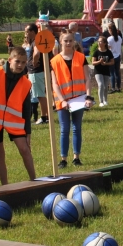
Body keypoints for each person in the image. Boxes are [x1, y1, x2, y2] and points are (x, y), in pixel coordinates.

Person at [0, 47, 37, 185]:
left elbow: (27, 110)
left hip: (14, 121)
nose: (20, 65)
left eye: (23, 62)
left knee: (25, 149)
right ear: (10, 60)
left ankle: (35, 181)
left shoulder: (26, 83)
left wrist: (28, 133)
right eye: (17, 61)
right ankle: (5, 186)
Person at [50, 31, 94, 168]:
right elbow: (54, 84)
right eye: (65, 41)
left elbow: (87, 79)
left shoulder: (81, 57)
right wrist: (62, 100)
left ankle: (76, 157)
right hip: (62, 101)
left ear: (74, 41)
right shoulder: (54, 61)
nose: (68, 43)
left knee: (77, 128)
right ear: (60, 42)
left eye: (70, 40)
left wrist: (88, 97)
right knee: (64, 129)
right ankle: (63, 159)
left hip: (79, 99)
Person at [23, 23, 50, 125]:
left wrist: (34, 62)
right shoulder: (38, 40)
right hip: (38, 71)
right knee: (41, 94)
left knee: (40, 95)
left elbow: (37, 53)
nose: (26, 34)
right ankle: (46, 116)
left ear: (32, 32)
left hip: (36, 72)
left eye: (27, 31)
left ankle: (44, 117)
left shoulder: (36, 41)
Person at [92, 35, 114, 106]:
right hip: (98, 71)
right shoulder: (96, 52)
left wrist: (106, 63)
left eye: (100, 41)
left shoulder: (109, 52)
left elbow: (112, 62)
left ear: (104, 43)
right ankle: (101, 102)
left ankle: (105, 100)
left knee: (105, 86)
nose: (99, 43)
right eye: (98, 41)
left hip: (106, 71)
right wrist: (99, 62)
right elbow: (93, 62)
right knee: (101, 85)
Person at [107, 25, 123, 92]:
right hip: (118, 56)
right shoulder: (119, 37)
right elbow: (120, 46)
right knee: (117, 72)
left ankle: (113, 88)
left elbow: (108, 48)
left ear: (111, 30)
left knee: (112, 73)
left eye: (108, 29)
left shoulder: (109, 39)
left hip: (111, 57)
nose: (108, 30)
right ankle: (118, 87)